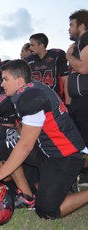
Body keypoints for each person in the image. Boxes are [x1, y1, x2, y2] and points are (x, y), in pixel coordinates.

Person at [0, 59, 88, 219]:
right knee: (2, 148)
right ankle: (27, 196)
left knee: (46, 211)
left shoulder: (30, 97)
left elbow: (25, 146)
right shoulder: (27, 91)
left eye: (5, 79)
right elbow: (28, 131)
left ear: (19, 80)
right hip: (46, 150)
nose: (2, 84)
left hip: (64, 156)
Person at [66, 9, 88, 186]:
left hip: (85, 101)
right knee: (78, 139)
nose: (69, 29)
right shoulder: (79, 43)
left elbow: (83, 68)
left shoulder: (86, 38)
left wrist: (68, 56)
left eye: (71, 25)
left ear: (81, 25)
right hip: (77, 101)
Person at [26, 33, 71, 104]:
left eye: (32, 45)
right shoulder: (28, 60)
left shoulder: (57, 55)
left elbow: (66, 80)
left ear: (41, 45)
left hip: (54, 100)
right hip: (35, 101)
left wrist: (68, 102)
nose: (30, 48)